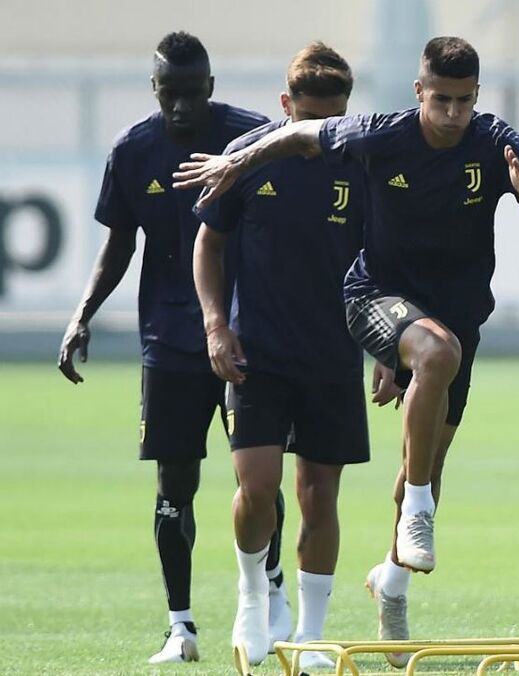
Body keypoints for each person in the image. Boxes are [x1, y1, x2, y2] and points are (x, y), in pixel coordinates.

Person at [174, 36, 519, 666]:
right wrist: (235, 163)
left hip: (452, 316)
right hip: (370, 301)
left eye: (464, 101)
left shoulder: (494, 142)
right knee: (433, 360)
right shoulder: (381, 135)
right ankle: (396, 525)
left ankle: (392, 581)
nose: (452, 114)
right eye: (441, 100)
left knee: (427, 457)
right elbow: (299, 137)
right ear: (419, 92)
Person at [55, 31, 291, 664]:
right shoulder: (133, 150)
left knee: (258, 478)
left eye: (193, 93)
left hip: (245, 336)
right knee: (174, 481)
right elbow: (119, 245)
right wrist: (82, 315)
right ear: (154, 89)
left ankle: (271, 597)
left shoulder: (252, 138)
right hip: (169, 342)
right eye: (170, 94)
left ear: (210, 87)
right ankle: (180, 627)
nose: (182, 106)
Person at [192, 42, 395, 669]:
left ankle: (309, 635)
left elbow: (387, 260)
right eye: (308, 118)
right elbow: (208, 245)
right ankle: (253, 596)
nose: (318, 134)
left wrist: (389, 346)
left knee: (318, 495)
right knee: (257, 487)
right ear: (286, 105)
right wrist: (216, 326)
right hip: (257, 351)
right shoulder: (247, 158)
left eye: (331, 120)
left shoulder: (361, 165)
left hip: (332, 354)